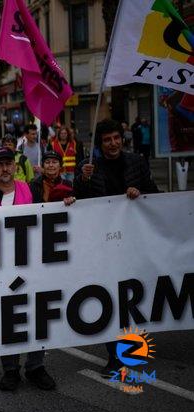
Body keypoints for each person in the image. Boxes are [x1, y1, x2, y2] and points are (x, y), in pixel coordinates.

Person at [74, 119, 160, 377]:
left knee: (132, 298)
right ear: (99, 144)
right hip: (102, 244)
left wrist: (140, 194)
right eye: (107, 140)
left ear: (122, 139)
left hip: (132, 242)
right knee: (109, 299)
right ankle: (114, 355)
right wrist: (83, 180)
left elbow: (154, 195)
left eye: (116, 138)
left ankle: (132, 349)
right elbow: (79, 200)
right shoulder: (89, 167)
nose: (113, 144)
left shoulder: (137, 162)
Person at [0, 147, 56, 391]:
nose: (5, 168)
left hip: (30, 263)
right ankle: (10, 369)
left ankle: (36, 366)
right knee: (7, 318)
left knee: (36, 313)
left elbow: (47, 216)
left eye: (9, 163)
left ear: (15, 166)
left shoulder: (29, 189)